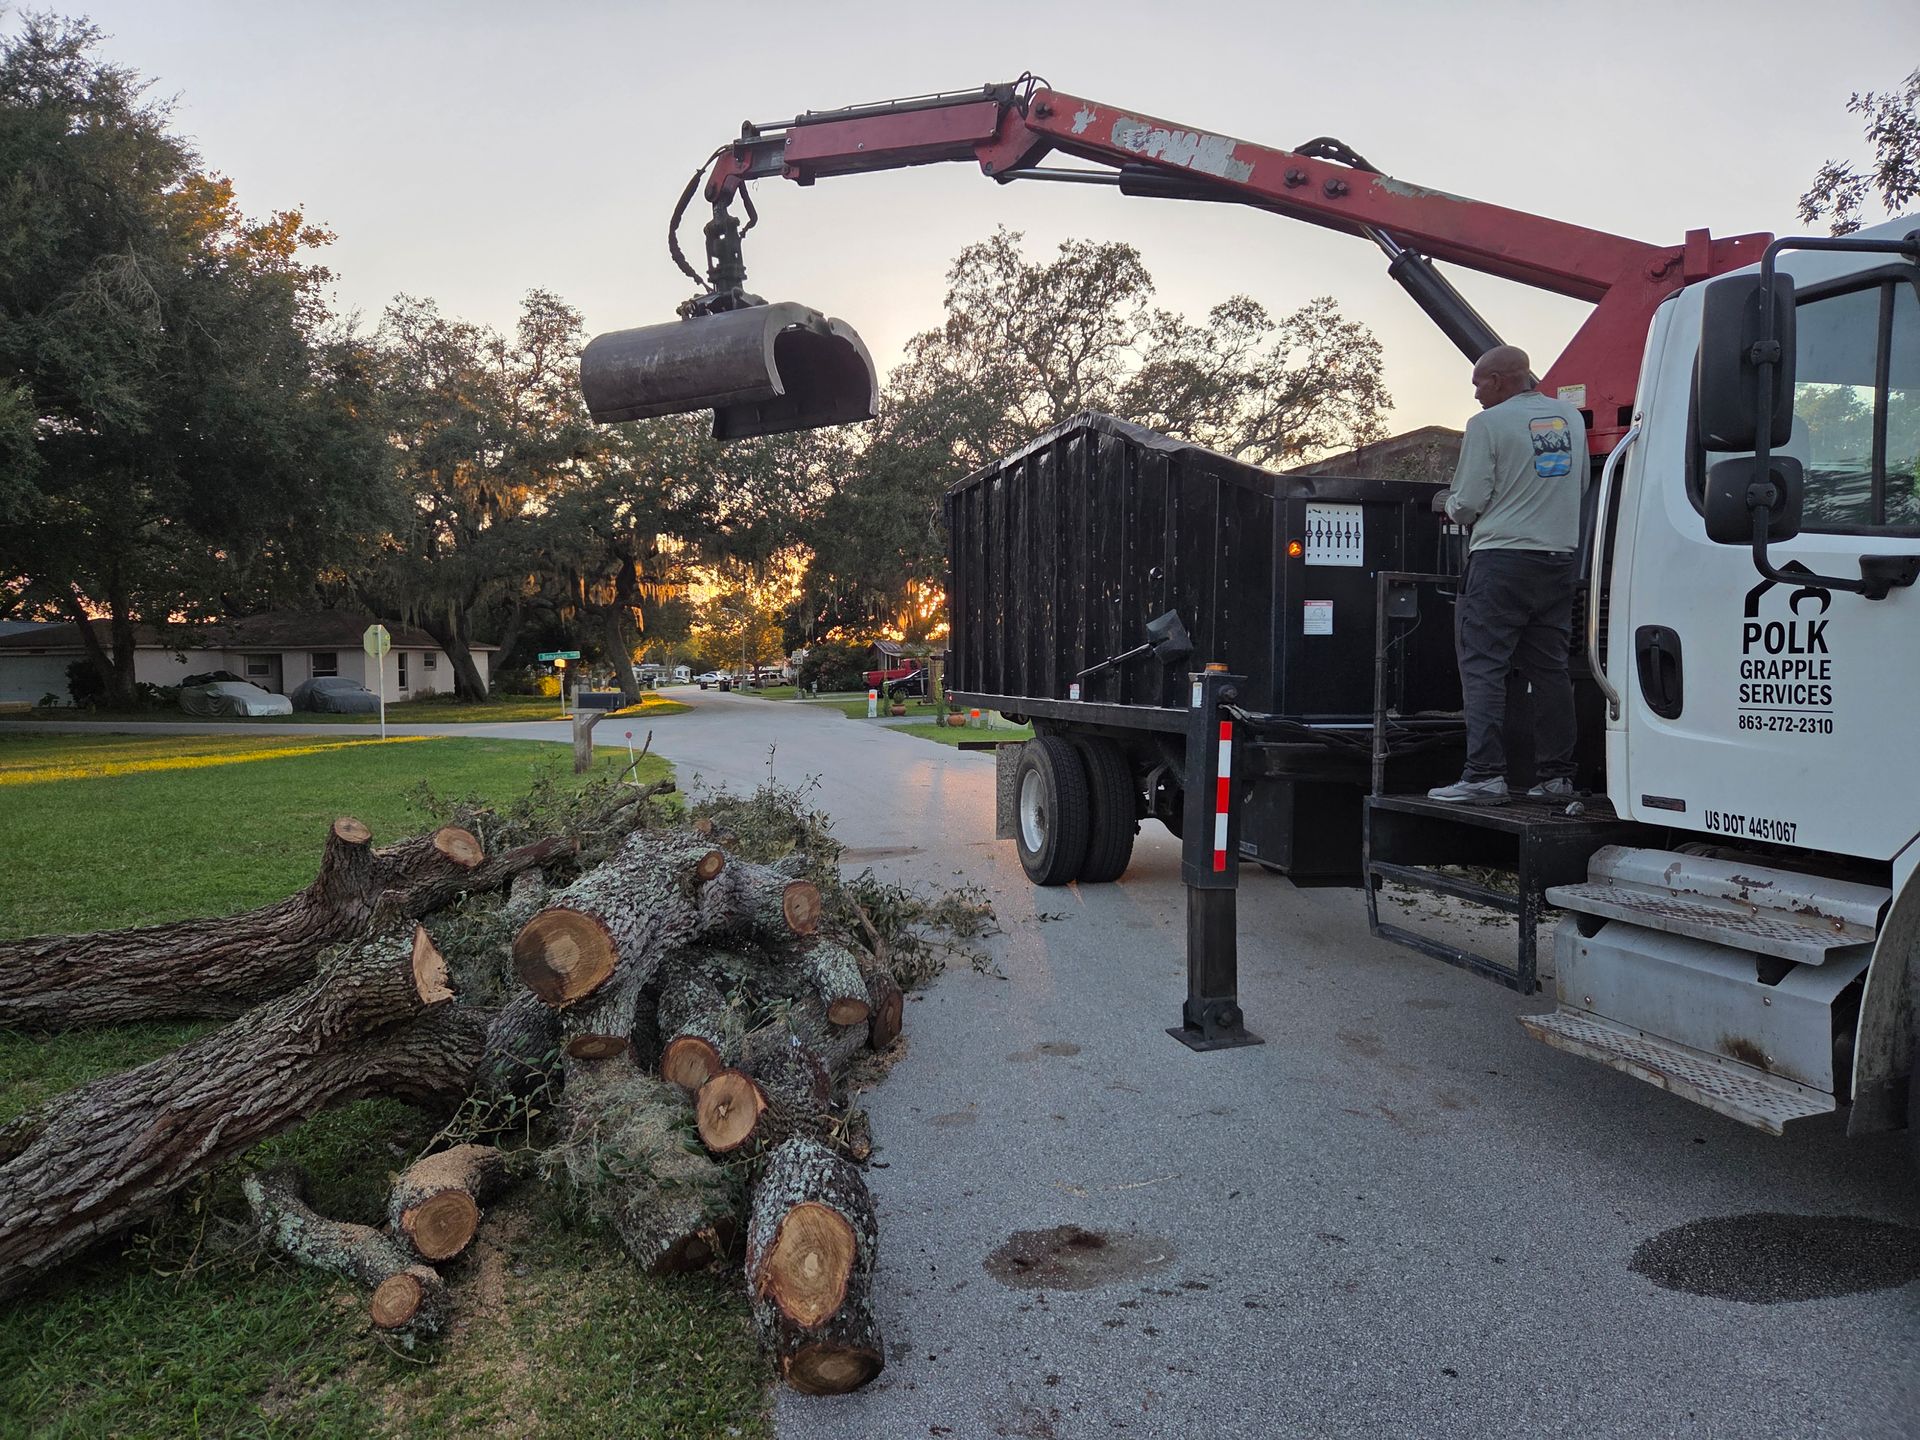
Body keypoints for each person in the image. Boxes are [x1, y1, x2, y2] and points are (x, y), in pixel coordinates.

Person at [1427, 345, 1587, 805]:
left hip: (1501, 561)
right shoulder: (1569, 419)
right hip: (1559, 560)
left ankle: (1484, 775)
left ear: (1498, 379)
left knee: (1483, 667)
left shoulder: (1486, 425)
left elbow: (1470, 500)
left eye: (1479, 382)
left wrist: (1448, 504)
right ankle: (1557, 777)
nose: (1475, 392)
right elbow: (1577, 487)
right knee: (1551, 669)